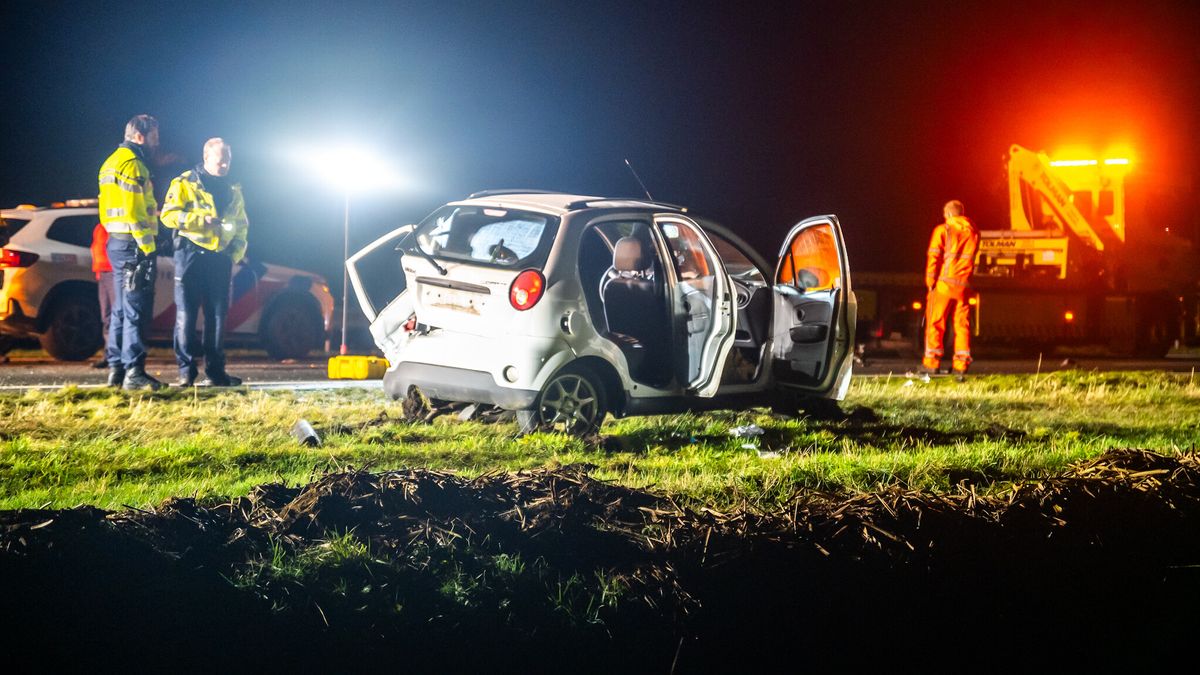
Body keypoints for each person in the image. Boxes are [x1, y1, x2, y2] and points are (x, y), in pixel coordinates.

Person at [159, 137, 248, 386]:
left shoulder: (233, 188)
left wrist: (235, 254)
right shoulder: (185, 182)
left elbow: (242, 225)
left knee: (218, 316)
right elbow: (168, 215)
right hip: (190, 255)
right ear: (206, 157)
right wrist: (201, 220)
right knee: (186, 315)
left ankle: (216, 372)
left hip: (220, 258)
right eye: (220, 161)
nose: (224, 166)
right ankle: (186, 372)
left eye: (228, 161)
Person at [98, 114, 164, 390]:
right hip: (134, 244)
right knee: (136, 308)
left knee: (120, 310)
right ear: (139, 136)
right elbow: (136, 211)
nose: (156, 143)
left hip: (115, 241)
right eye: (154, 138)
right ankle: (134, 373)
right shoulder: (133, 165)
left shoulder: (109, 163)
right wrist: (148, 247)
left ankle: (116, 369)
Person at [923, 199, 980, 380]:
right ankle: (961, 365)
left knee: (935, 323)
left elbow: (934, 257)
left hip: (944, 285)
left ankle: (932, 364)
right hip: (964, 286)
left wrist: (930, 281)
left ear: (948, 214)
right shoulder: (974, 232)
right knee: (962, 325)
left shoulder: (943, 230)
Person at [90, 223, 119, 369]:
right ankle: (109, 355)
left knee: (115, 316)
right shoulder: (100, 226)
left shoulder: (112, 225)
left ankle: (116, 355)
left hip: (113, 272)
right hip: (103, 273)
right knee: (107, 317)